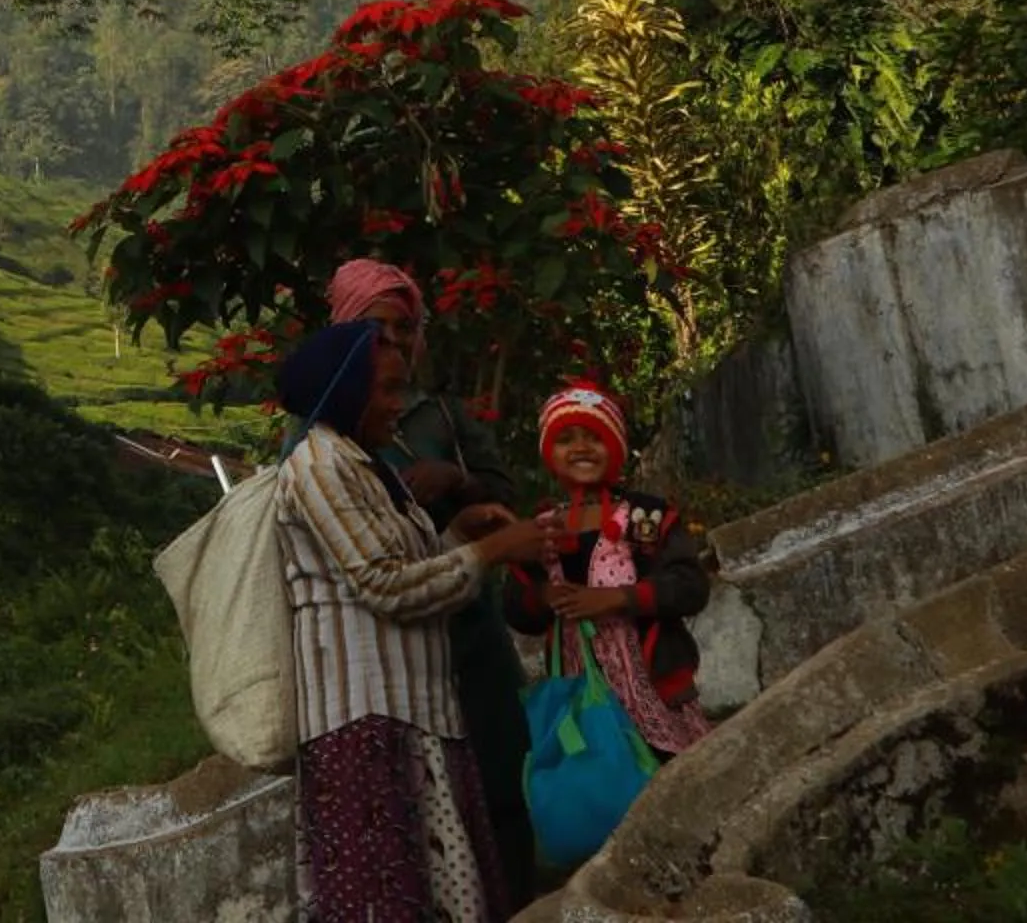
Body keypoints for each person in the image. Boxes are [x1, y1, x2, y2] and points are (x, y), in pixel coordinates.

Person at [277, 320, 562, 923]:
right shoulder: (318, 466)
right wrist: (491, 551)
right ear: (346, 389)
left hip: (415, 716)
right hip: (365, 725)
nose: (397, 405)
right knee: (386, 900)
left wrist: (461, 533)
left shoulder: (359, 464)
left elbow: (410, 566)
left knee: (437, 898)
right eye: (385, 390)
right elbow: (385, 584)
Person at [327, 258, 540, 906]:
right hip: (394, 657)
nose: (393, 345)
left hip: (471, 631)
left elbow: (504, 493)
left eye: (403, 329)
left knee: (506, 781)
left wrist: (453, 479)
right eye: (376, 331)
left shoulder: (438, 414)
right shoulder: (326, 440)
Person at [502, 382, 716, 757]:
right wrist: (543, 596)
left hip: (655, 692)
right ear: (550, 452)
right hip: (581, 697)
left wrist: (616, 598)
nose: (581, 448)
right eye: (566, 439)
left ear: (615, 448)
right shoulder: (542, 530)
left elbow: (690, 585)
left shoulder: (644, 516)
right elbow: (517, 608)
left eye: (594, 438)